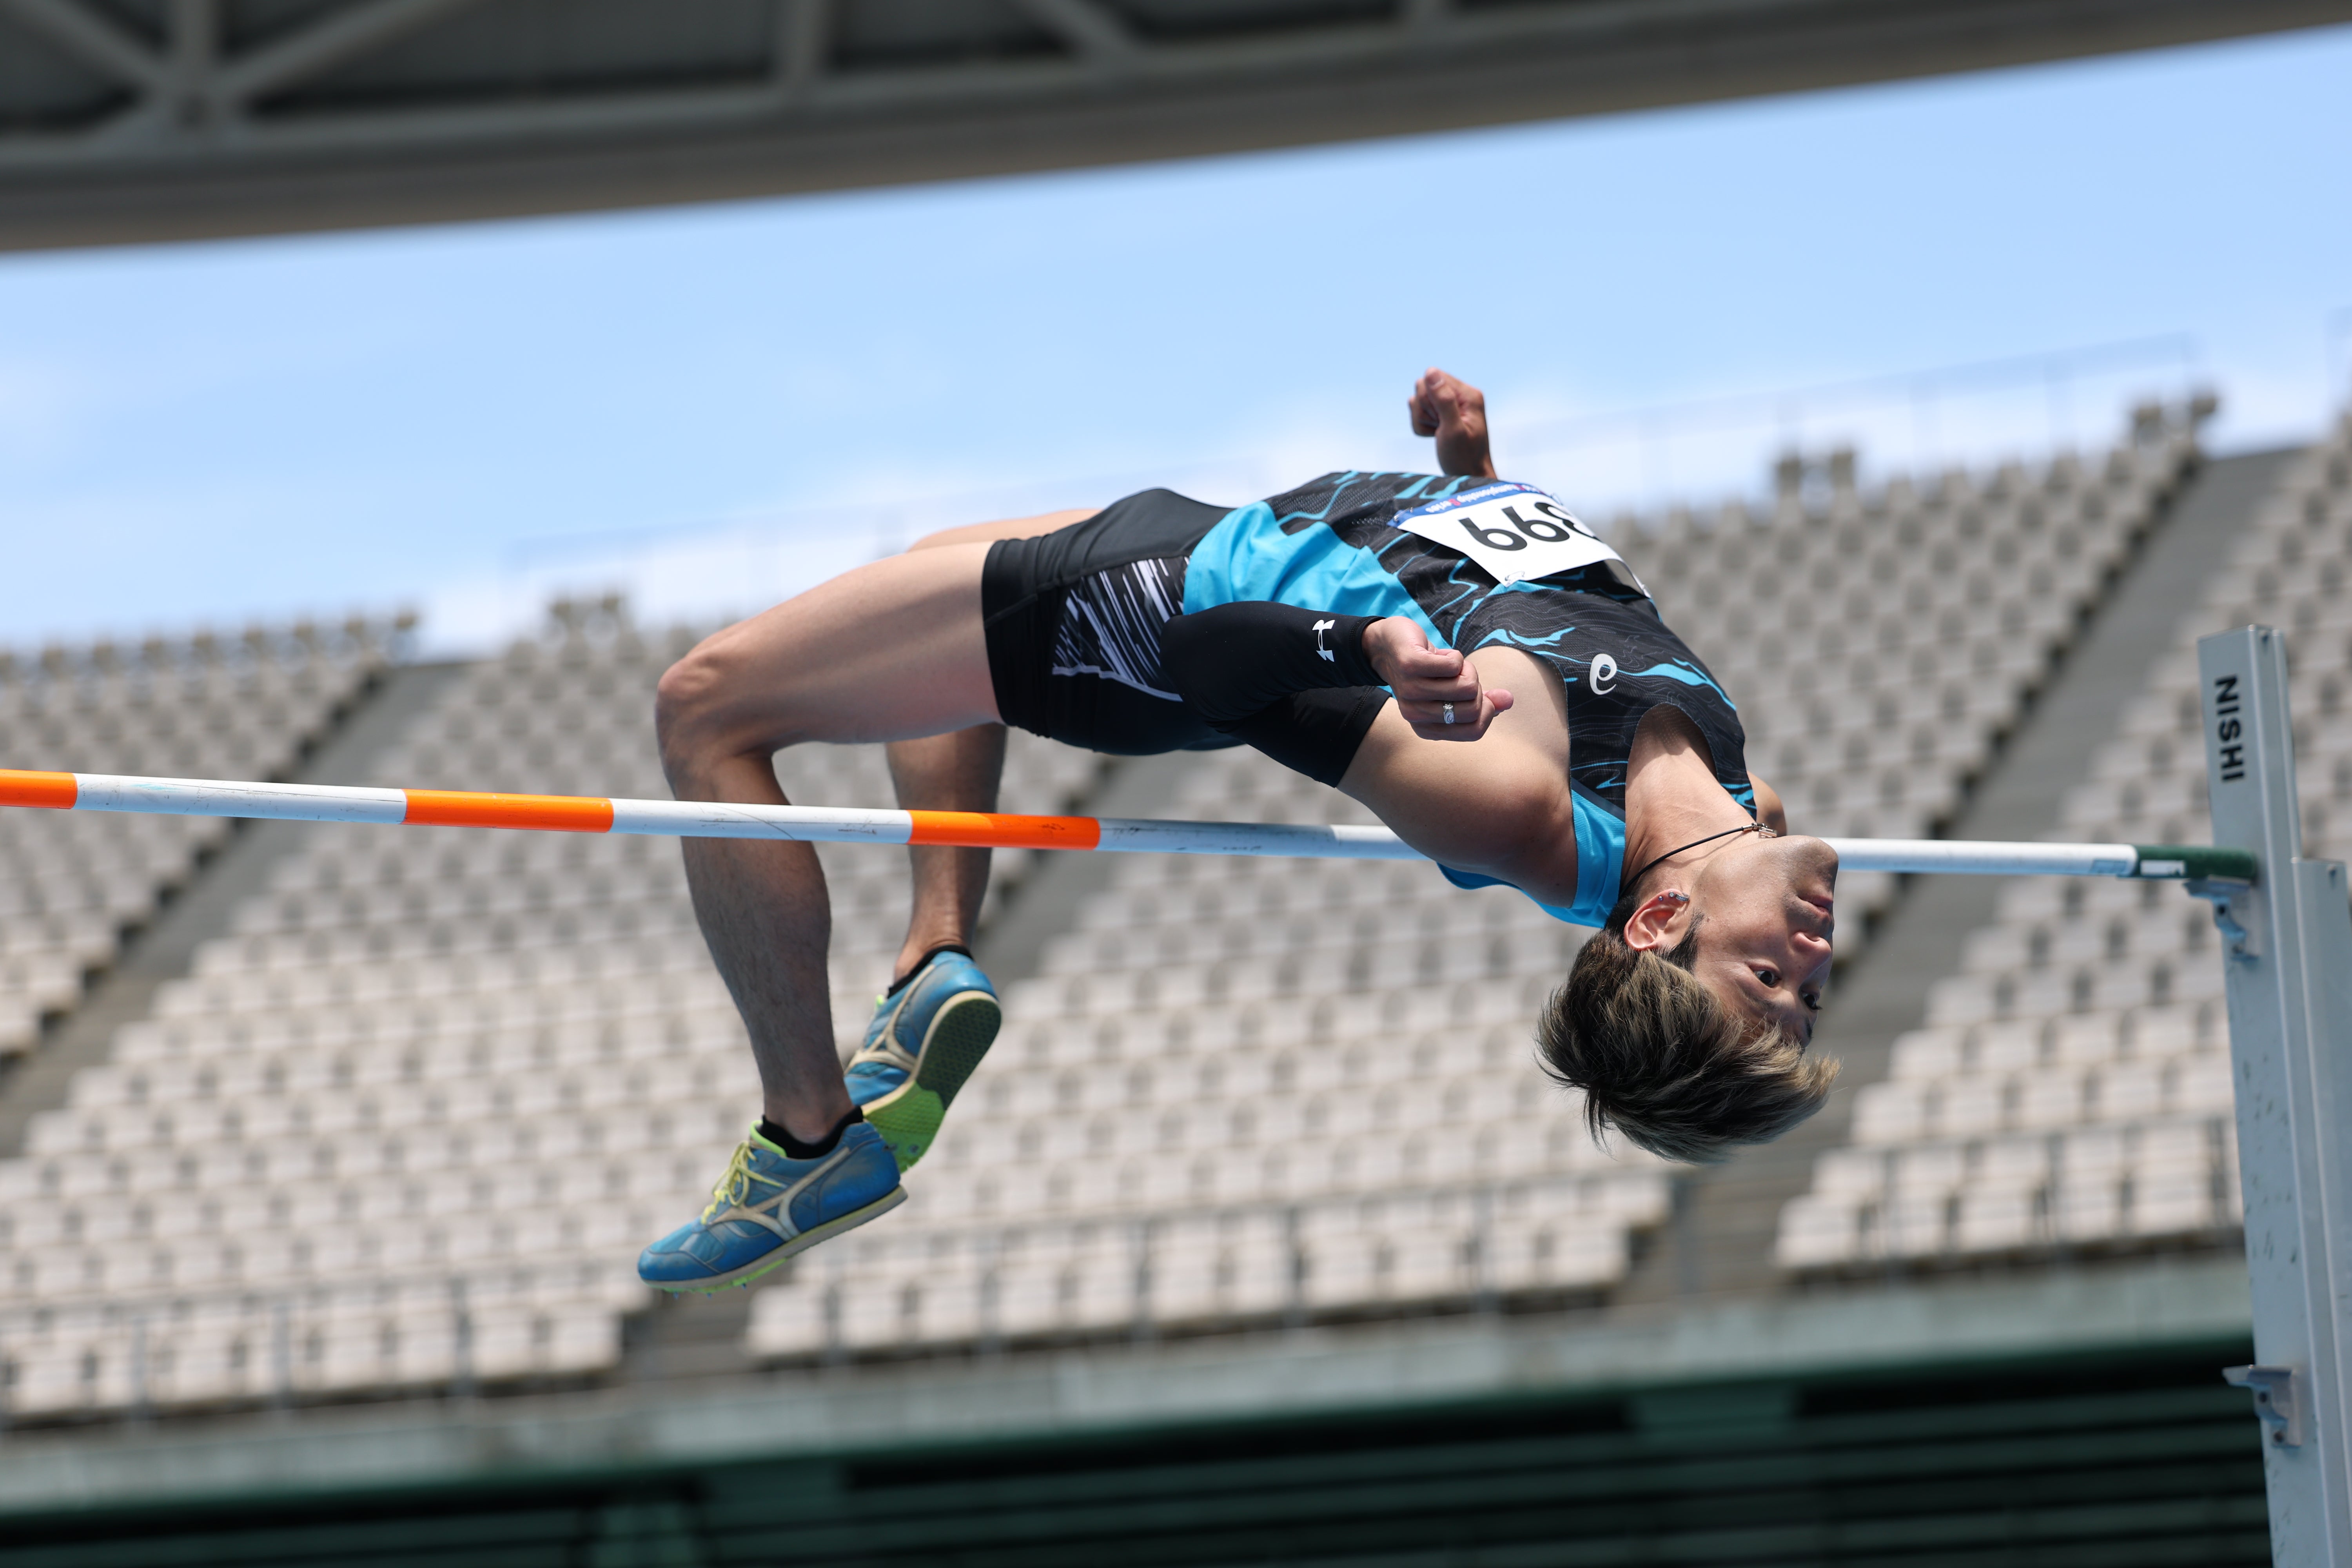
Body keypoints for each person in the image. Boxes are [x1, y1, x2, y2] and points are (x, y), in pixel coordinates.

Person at [636, 370, 1840, 1293]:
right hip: (1245, 533)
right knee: (929, 578)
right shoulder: (1742, 806)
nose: (1818, 958)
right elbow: (1540, 605)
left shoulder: (1511, 808)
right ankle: (930, 960)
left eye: (1769, 978)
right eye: (1806, 995)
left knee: (706, 708)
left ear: (1664, 919)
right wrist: (1475, 473)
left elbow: (1216, 668)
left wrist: (1357, 651)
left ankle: (806, 1137)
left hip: (1157, 610)